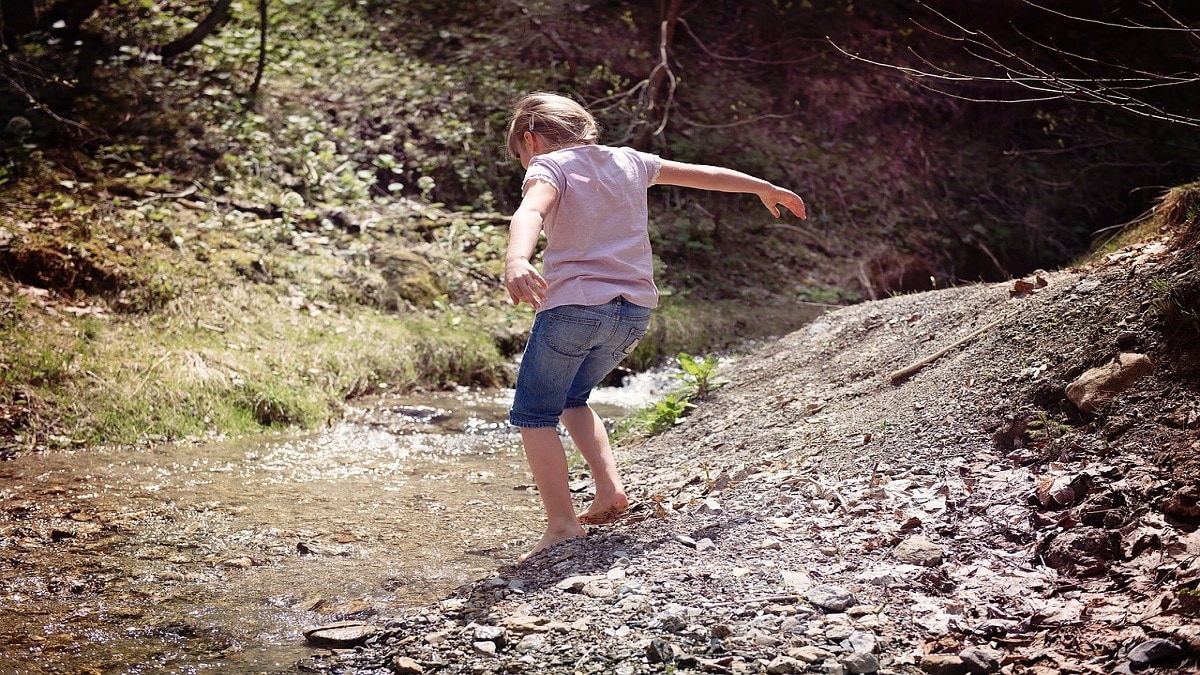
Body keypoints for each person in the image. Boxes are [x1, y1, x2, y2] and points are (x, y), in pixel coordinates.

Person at [503, 92, 806, 562]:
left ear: (531, 139)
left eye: (521, 154)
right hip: (633, 313)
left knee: (534, 414)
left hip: (575, 308)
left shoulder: (549, 166)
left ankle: (562, 525)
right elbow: (703, 175)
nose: (525, 162)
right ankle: (609, 493)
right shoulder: (630, 161)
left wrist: (517, 257)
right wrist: (762, 186)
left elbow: (531, 211)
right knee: (572, 400)